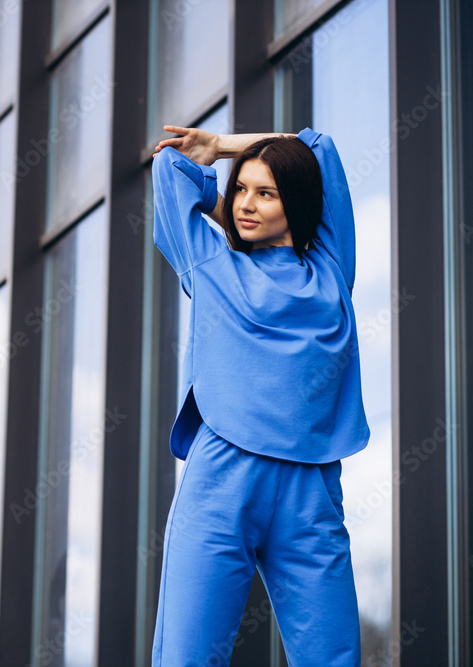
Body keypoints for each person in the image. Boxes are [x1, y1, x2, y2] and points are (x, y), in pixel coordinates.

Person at [149, 124, 370, 666]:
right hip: (223, 478)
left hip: (311, 488)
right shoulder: (211, 264)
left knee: (333, 658)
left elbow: (319, 149)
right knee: (188, 656)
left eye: (265, 193)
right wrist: (217, 172)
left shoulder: (331, 266)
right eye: (240, 188)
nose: (245, 204)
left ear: (297, 202)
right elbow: (168, 168)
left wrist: (226, 145)